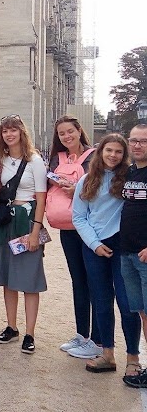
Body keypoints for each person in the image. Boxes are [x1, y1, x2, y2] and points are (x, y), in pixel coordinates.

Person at [72, 134, 141, 376]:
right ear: (100, 152)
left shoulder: (130, 179)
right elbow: (79, 216)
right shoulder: (87, 180)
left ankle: (133, 356)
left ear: (124, 155)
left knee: (127, 303)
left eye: (118, 152)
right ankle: (107, 353)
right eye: (108, 150)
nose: (113, 155)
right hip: (95, 246)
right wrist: (93, 243)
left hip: (123, 245)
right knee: (101, 301)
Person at [0, 115, 48, 354]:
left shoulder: (34, 160)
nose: (9, 134)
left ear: (22, 132)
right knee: (7, 276)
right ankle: (12, 326)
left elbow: (41, 198)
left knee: (29, 279)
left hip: (26, 221)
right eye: (5, 131)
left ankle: (30, 332)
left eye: (13, 130)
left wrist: (36, 231)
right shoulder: (1, 160)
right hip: (6, 222)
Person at [46, 115, 99, 357]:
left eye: (70, 132)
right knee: (78, 281)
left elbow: (101, 188)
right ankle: (82, 334)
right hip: (67, 226)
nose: (66, 137)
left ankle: (99, 339)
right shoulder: (57, 158)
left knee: (95, 282)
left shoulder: (94, 156)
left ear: (80, 131)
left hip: (89, 227)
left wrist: (76, 189)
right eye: (62, 134)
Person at [119, 124, 147, 388]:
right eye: (134, 141)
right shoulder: (130, 171)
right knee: (142, 312)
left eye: (144, 141)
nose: (137, 145)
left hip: (144, 254)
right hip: (127, 252)